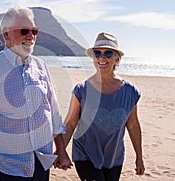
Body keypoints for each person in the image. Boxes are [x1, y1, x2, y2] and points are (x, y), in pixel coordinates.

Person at [0, 5, 72, 181]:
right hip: (7, 165)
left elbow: (53, 112)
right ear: (6, 34)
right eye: (24, 31)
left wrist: (61, 150)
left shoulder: (41, 67)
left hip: (42, 161)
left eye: (34, 31)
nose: (31, 36)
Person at [61, 32, 145, 180]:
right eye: (97, 53)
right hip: (85, 155)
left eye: (108, 53)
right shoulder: (82, 90)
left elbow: (133, 125)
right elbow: (71, 123)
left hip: (114, 157)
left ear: (116, 58)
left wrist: (139, 156)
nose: (102, 57)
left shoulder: (130, 92)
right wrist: (61, 151)